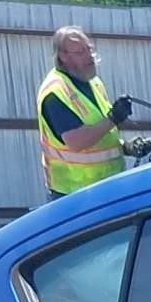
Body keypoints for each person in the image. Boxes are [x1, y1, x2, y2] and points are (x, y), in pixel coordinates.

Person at [36, 26, 136, 200]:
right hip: (73, 194)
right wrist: (114, 118)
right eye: (81, 52)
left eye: (89, 49)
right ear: (63, 56)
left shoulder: (92, 82)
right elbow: (76, 141)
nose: (90, 56)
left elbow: (100, 134)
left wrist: (126, 147)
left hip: (106, 187)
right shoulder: (55, 92)